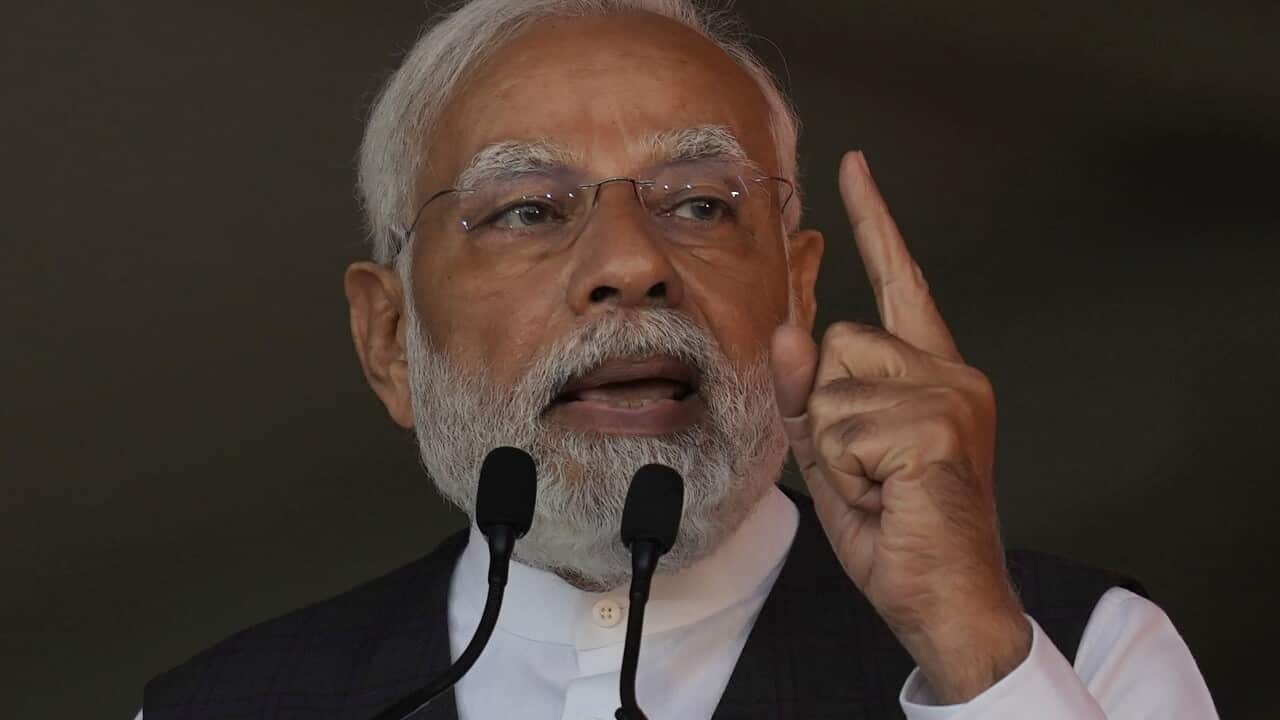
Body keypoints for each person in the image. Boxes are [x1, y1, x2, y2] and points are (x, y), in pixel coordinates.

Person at [139, 1, 1218, 718]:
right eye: (528, 210)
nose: (628, 264)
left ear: (797, 293)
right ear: (389, 341)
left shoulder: (1082, 655)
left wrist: (971, 653)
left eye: (699, 204)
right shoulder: (220, 707)